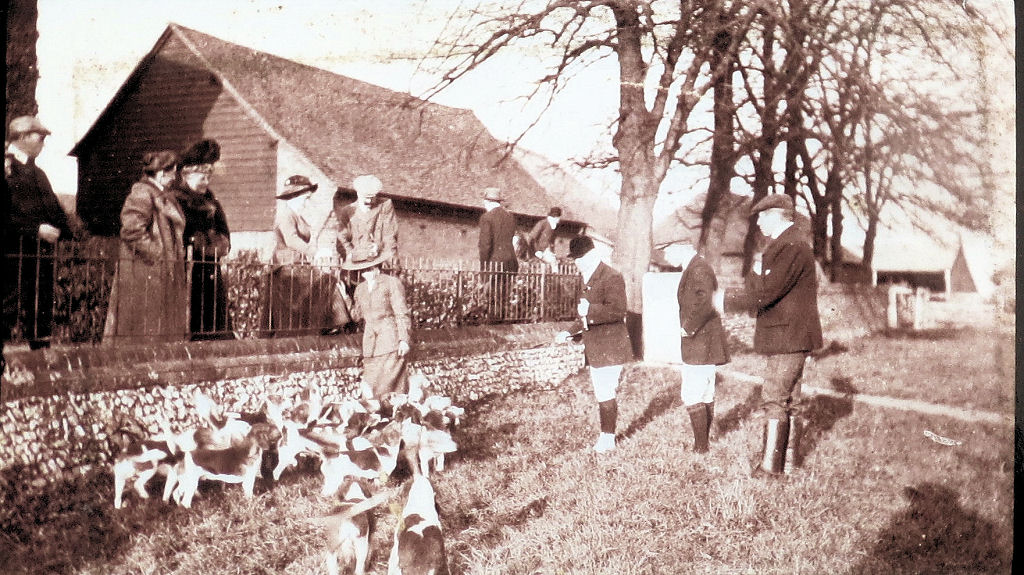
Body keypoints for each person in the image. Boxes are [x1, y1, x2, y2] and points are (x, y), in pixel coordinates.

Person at [745, 194, 823, 474]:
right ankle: (788, 463)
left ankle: (770, 467)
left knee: (775, 397)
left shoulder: (790, 247)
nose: (758, 224)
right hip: (792, 336)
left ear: (776, 215)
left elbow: (765, 294)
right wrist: (757, 273)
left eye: (762, 217)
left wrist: (730, 296)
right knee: (790, 399)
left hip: (787, 338)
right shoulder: (790, 245)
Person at [556, 235, 633, 453]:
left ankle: (607, 439)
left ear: (591, 255)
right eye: (574, 259)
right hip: (597, 346)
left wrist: (589, 311)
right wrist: (568, 333)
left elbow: (618, 310)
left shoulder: (611, 277)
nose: (576, 262)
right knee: (602, 391)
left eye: (579, 258)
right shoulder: (588, 277)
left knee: (605, 390)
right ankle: (606, 436)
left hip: (611, 346)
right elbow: (583, 317)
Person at [3, 116, 74, 350]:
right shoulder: (7, 169)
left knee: (40, 314)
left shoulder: (39, 173)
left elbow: (55, 211)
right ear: (22, 137)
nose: (44, 143)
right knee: (7, 310)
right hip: (13, 255)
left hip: (40, 258)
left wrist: (69, 232)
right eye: (41, 137)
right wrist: (35, 229)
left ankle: (41, 367)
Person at [103, 151, 188, 343]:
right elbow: (131, 230)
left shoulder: (163, 195)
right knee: (143, 329)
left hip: (159, 273)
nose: (174, 178)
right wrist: (158, 255)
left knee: (158, 328)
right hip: (144, 271)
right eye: (171, 173)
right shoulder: (142, 192)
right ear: (159, 172)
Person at [657, 241, 730, 454]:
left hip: (700, 339)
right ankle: (703, 445)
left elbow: (706, 300)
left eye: (668, 251)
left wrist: (689, 328)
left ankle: (701, 447)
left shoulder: (698, 268)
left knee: (692, 393)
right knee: (704, 392)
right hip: (703, 340)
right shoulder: (697, 266)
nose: (666, 257)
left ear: (682, 246)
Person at [263, 175, 346, 335]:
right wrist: (315, 252)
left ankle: (330, 323)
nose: (307, 203)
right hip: (286, 267)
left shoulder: (296, 215)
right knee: (327, 282)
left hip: (299, 266)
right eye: (305, 198)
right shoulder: (286, 215)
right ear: (294, 196)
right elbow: (291, 239)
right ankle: (333, 322)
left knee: (326, 282)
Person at [175, 139, 233, 340]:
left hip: (211, 272)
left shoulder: (211, 201)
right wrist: (200, 243)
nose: (206, 181)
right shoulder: (176, 200)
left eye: (209, 176)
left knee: (216, 325)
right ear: (186, 173)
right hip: (187, 272)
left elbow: (225, 235)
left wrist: (215, 245)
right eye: (202, 176)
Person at [344, 254, 412, 398]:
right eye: (362, 270)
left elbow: (401, 312)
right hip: (370, 345)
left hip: (389, 341)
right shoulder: (360, 289)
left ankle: (396, 416)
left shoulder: (391, 283)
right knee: (370, 388)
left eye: (368, 269)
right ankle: (378, 418)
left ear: (376, 268)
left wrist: (404, 340)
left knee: (390, 389)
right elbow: (356, 316)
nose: (365, 274)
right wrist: (345, 297)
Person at [333, 174, 398, 268]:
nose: (369, 201)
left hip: (379, 259)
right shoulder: (348, 211)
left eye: (372, 197)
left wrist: (380, 249)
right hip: (356, 262)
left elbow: (390, 236)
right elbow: (341, 239)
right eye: (366, 197)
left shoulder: (385, 206)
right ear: (358, 194)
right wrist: (354, 256)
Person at [477, 187, 518, 321]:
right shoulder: (510, 217)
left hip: (495, 263)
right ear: (499, 202)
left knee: (492, 297)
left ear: (487, 202)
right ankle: (502, 322)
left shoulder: (487, 217)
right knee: (503, 296)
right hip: (511, 262)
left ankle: (494, 324)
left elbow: (485, 245)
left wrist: (484, 267)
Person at [526, 207, 562, 271]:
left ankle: (553, 278)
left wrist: (552, 251)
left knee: (554, 263)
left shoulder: (554, 226)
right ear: (555, 217)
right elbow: (532, 238)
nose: (559, 220)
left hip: (546, 250)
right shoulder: (543, 223)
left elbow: (551, 242)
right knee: (552, 263)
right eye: (559, 217)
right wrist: (537, 251)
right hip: (537, 250)